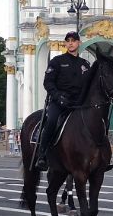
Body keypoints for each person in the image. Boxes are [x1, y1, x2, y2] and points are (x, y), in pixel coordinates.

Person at [33, 31, 90, 170]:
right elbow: (48, 83)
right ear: (65, 43)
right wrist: (59, 97)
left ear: (79, 43)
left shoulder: (85, 64)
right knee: (51, 120)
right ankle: (42, 154)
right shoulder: (57, 61)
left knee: (96, 121)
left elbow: (89, 85)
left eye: (74, 40)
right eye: (68, 41)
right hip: (60, 102)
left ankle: (98, 157)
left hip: (78, 104)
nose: (71, 43)